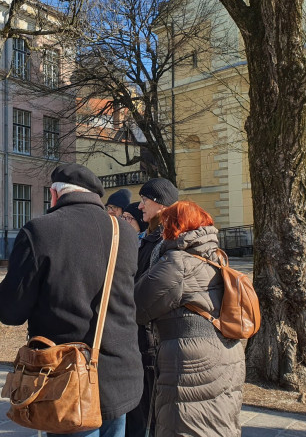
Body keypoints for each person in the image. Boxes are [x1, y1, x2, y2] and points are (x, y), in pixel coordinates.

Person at [0, 163, 142, 437]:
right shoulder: (125, 232)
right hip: (120, 372)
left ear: (54, 194)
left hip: (66, 378)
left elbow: (9, 311)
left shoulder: (40, 231)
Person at [134, 200, 244, 436]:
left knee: (184, 421)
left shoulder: (177, 263)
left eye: (165, 225)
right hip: (227, 351)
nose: (161, 230)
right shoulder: (217, 256)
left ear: (175, 227)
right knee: (217, 421)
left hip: (191, 359)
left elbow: (138, 307)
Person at [126, 178, 178, 437]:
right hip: (139, 335)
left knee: (148, 411)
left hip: (151, 339)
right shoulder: (148, 237)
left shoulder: (166, 241)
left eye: (144, 200)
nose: (139, 205)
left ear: (159, 204)